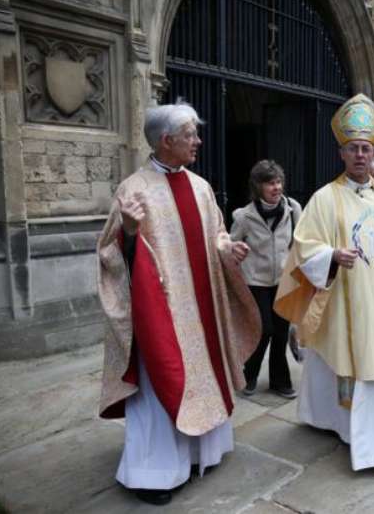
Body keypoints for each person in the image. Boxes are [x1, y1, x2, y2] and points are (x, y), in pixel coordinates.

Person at [96, 101, 260, 505]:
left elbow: (216, 234)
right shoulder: (134, 189)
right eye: (190, 135)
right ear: (166, 141)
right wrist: (130, 232)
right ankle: (153, 473)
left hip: (202, 312)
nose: (198, 141)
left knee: (204, 378)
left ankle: (200, 453)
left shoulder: (201, 187)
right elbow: (110, 255)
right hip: (162, 314)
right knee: (161, 388)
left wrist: (229, 251)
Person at [274, 93, 374, 491]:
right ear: (342, 153)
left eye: (367, 149)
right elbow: (303, 246)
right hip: (346, 303)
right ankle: (336, 425)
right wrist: (329, 255)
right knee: (341, 366)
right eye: (354, 148)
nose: (361, 155)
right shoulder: (325, 199)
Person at [230, 160, 303, 399]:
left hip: (282, 281)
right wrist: (235, 248)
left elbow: (299, 242)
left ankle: (279, 381)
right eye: (270, 183)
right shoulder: (244, 216)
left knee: (281, 332)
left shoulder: (293, 209)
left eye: (279, 181)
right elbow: (230, 245)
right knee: (263, 330)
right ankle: (248, 375)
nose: (276, 187)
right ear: (258, 187)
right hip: (256, 282)